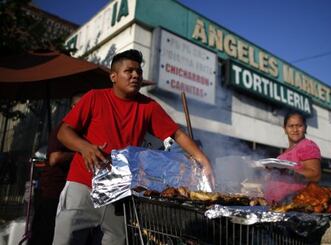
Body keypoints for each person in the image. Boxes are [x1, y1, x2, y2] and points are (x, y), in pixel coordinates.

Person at [52, 49, 214, 245]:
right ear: (113, 76)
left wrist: (202, 159)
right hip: (83, 184)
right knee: (66, 240)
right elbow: (64, 131)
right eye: (129, 71)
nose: (136, 75)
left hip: (120, 192)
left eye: (139, 71)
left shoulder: (149, 106)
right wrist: (84, 147)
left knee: (117, 240)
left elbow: (177, 134)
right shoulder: (94, 97)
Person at [29, 94, 84, 245]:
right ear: (73, 108)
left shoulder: (81, 131)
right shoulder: (64, 128)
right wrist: (82, 152)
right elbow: (54, 158)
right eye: (82, 107)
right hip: (53, 192)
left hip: (69, 193)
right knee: (45, 236)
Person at [264, 111, 321, 204]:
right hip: (275, 206)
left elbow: (315, 175)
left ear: (305, 127)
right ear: (285, 129)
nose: (295, 130)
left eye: (299, 126)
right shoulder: (282, 155)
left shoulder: (307, 146)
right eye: (291, 126)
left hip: (294, 207)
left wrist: (288, 170)